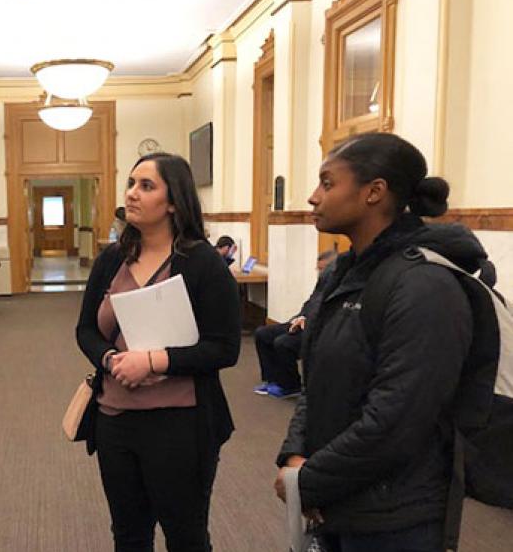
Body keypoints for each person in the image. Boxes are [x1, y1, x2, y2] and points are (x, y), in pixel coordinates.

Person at [274, 133, 490, 551]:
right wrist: (296, 456)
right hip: (337, 496)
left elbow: (398, 419)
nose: (313, 197)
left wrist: (311, 480)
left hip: (395, 516)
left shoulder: (425, 285)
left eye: (327, 183)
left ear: (374, 192)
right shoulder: (343, 273)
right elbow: (317, 379)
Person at [77, 152, 241, 551]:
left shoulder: (202, 262)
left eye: (146, 186)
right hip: (115, 419)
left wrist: (154, 360)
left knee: (185, 536)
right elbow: (85, 329)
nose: (132, 193)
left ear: (173, 201)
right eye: (131, 183)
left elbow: (225, 348)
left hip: (181, 425)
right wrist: (110, 359)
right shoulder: (111, 259)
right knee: (129, 534)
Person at [253, 250, 337, 398]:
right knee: (262, 333)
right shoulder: (322, 282)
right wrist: (299, 317)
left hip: (319, 329)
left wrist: (307, 320)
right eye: (319, 269)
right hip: (303, 321)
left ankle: (290, 385)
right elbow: (310, 303)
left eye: (323, 269)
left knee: (283, 343)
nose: (320, 272)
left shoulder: (339, 285)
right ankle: (271, 379)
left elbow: (329, 311)